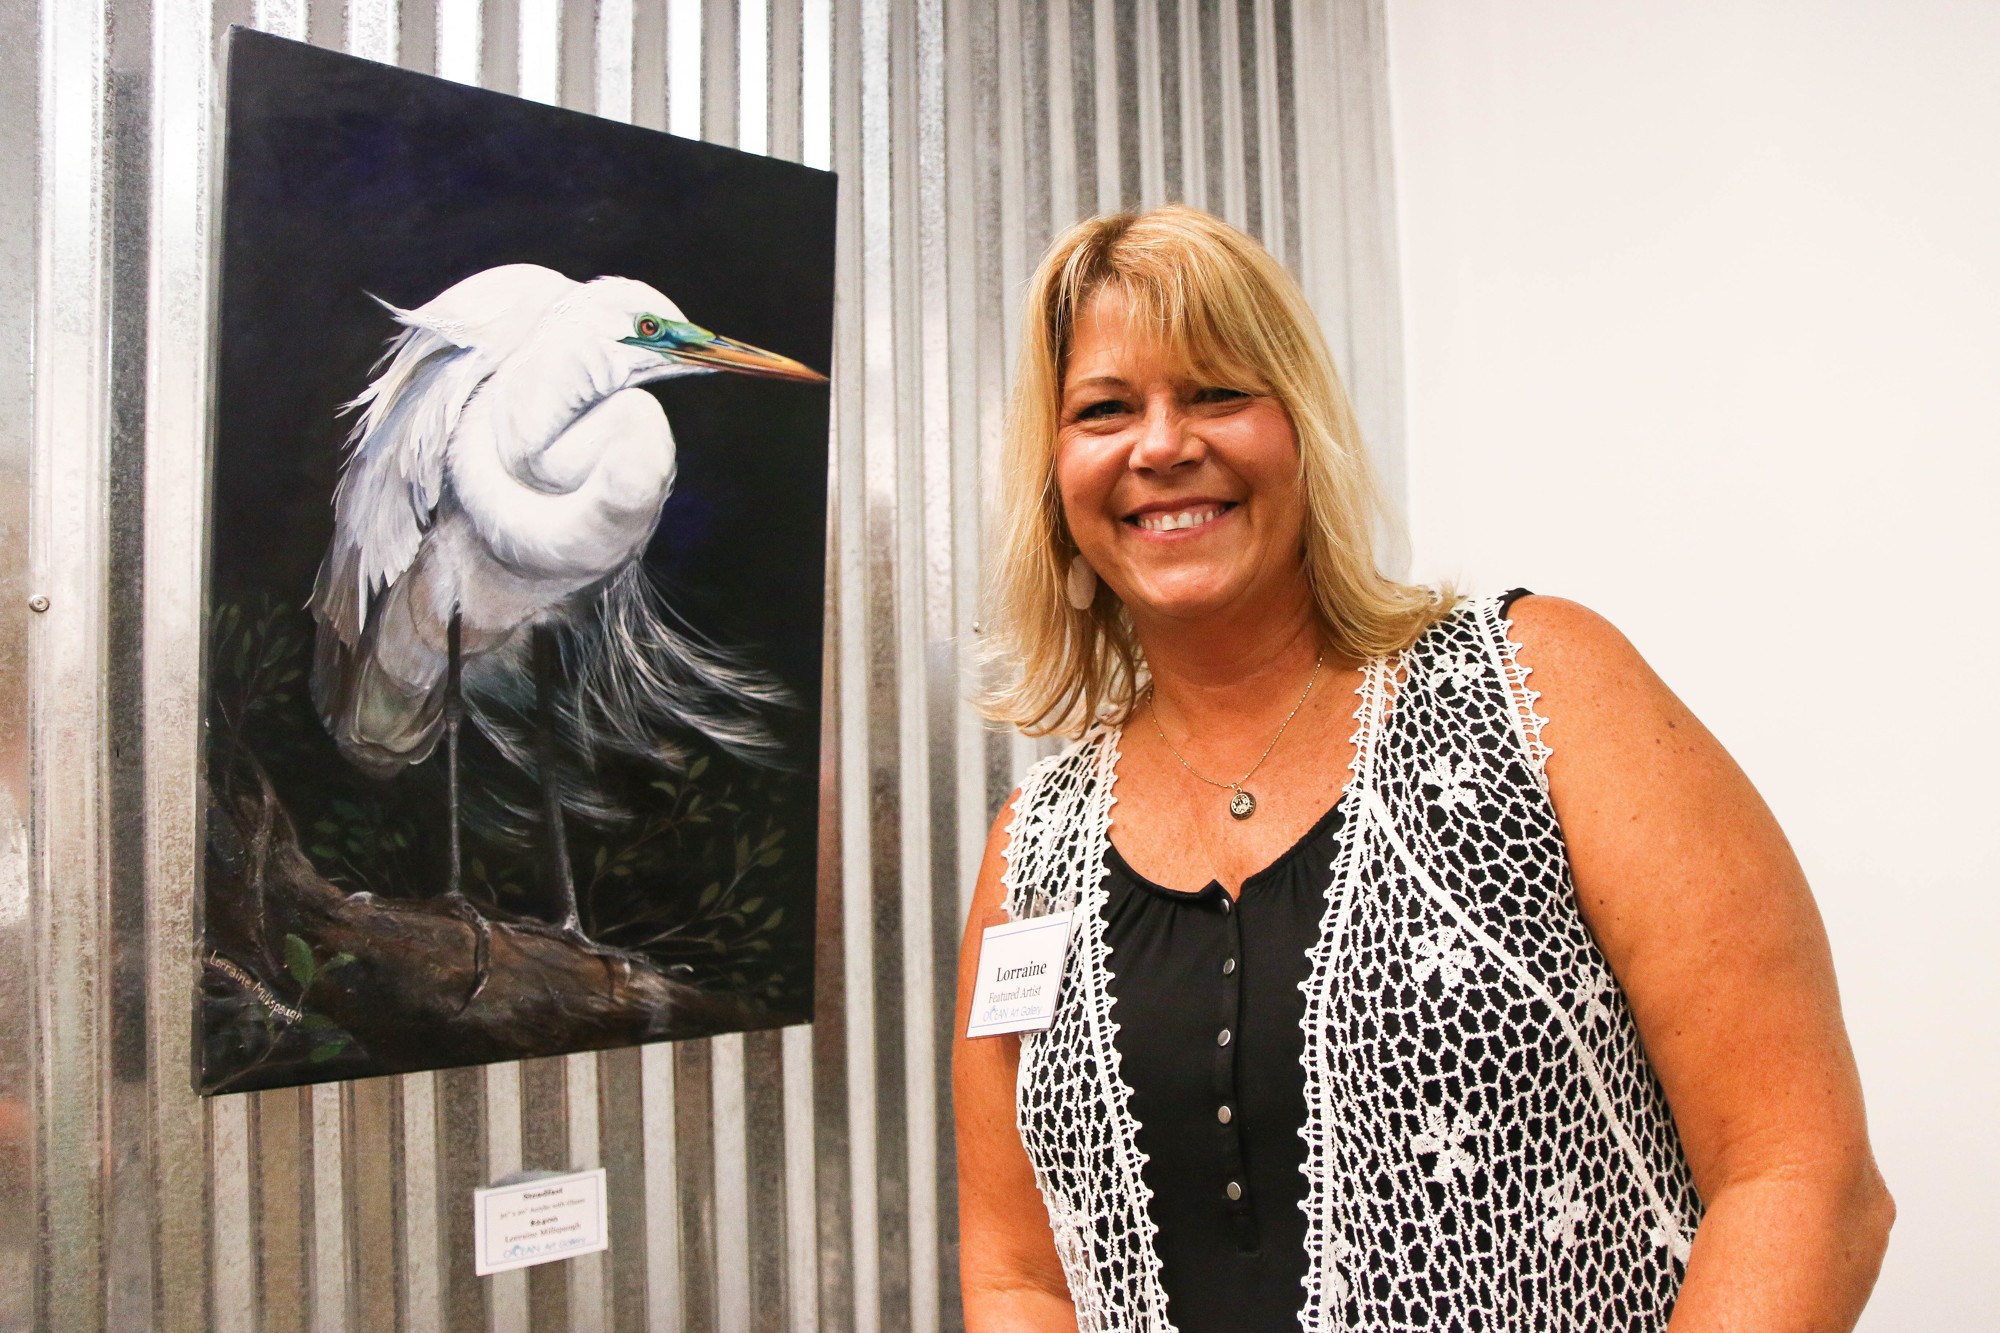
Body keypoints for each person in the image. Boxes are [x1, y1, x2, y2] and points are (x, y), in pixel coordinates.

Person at [952, 205, 1893, 1332]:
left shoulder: (1541, 687)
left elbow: (1802, 1177)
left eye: (1215, 392)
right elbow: (1019, 1276)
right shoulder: (1032, 847)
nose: (1160, 445)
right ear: (1055, 476)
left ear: (1299, 425)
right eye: (1104, 409)